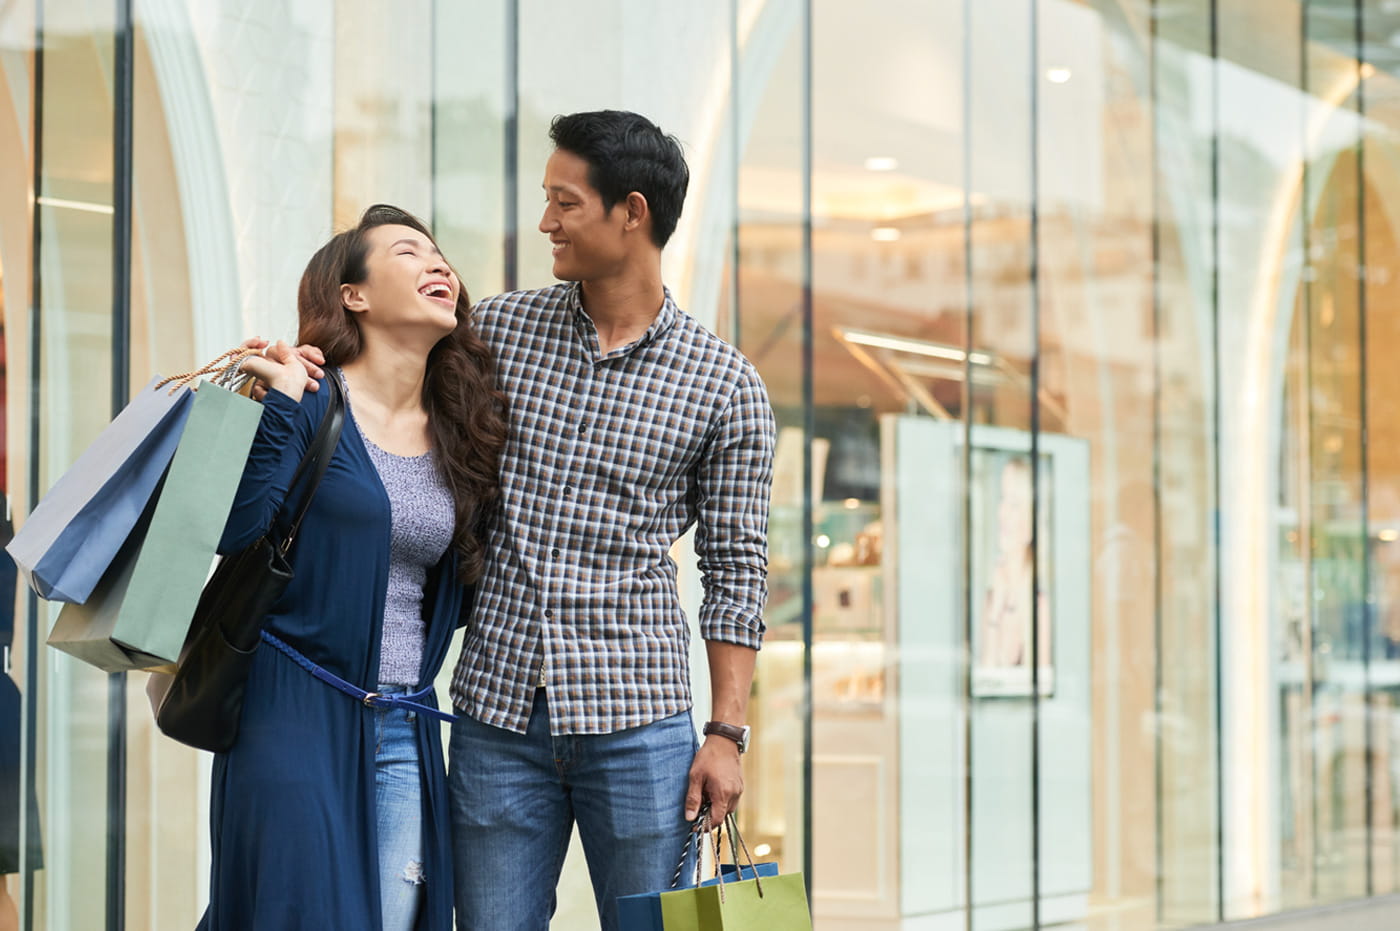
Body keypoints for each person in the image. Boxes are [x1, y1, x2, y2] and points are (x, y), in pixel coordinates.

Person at [445, 110, 776, 930]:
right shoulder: (498, 332)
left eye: (566, 203)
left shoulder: (726, 386)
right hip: (498, 713)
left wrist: (726, 732)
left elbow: (736, 570)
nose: (545, 222)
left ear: (632, 212)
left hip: (640, 725)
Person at [199, 204, 506, 930]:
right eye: (408, 252)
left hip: (405, 720)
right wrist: (277, 403)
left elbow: (459, 589)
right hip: (292, 713)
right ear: (354, 294)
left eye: (439, 254)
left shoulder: (459, 428)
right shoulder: (308, 400)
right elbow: (231, 528)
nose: (437, 263)